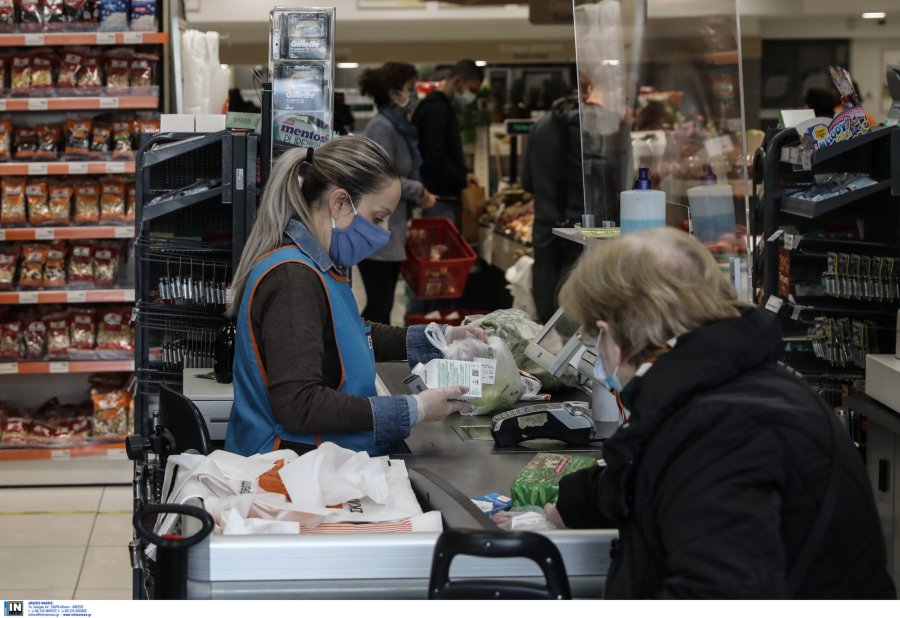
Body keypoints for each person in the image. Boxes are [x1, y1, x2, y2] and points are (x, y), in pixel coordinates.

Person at [545, 227, 896, 600]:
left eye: (593, 340)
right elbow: (667, 479)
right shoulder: (729, 386)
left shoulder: (719, 426)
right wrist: (578, 501)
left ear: (612, 334)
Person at [224, 137, 487, 457]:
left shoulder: (318, 266)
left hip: (323, 459)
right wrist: (414, 409)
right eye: (378, 217)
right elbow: (299, 405)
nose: (384, 232)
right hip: (290, 467)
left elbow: (347, 335)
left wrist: (440, 337)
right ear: (339, 203)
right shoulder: (293, 280)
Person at [357, 62, 437, 325]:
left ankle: (370, 348)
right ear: (393, 93)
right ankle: (357, 347)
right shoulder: (382, 127)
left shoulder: (399, 126)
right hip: (376, 232)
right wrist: (417, 190)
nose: (415, 95)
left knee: (384, 304)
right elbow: (381, 177)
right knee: (379, 305)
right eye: (410, 88)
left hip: (391, 231)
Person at [521, 95, 585, 324]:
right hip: (584, 231)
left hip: (546, 227)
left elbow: (527, 182)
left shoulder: (539, 127)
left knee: (546, 310)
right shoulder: (593, 129)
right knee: (577, 311)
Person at [412, 59, 483, 226]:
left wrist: (464, 173)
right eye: (472, 89)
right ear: (457, 81)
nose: (472, 96)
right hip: (438, 199)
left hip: (442, 197)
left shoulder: (441, 107)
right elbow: (435, 157)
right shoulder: (436, 110)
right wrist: (461, 179)